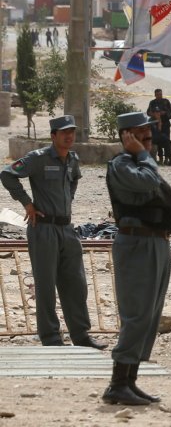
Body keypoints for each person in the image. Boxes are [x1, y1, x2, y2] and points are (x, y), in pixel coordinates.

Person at [0, 115, 106, 349]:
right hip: (43, 229)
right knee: (46, 286)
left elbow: (74, 181)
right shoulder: (38, 158)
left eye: (72, 132)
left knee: (76, 284)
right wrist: (27, 203)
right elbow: (7, 175)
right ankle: (51, 338)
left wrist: (67, 201)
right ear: (53, 136)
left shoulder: (72, 159)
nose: (69, 136)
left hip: (66, 228)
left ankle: (81, 335)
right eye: (64, 132)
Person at [103, 112, 171, 406]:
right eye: (140, 130)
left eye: (148, 129)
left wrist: (144, 156)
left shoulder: (141, 160)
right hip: (136, 243)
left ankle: (129, 381)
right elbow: (147, 184)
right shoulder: (123, 164)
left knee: (150, 316)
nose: (148, 134)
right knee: (136, 316)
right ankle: (117, 383)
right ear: (126, 135)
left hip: (155, 241)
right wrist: (143, 155)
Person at [147, 89, 171, 165]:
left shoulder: (166, 101)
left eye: (160, 94)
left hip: (165, 124)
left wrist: (165, 113)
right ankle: (161, 159)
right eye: (158, 94)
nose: (159, 96)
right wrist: (155, 115)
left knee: (167, 141)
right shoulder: (152, 103)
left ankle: (167, 159)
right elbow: (148, 113)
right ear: (155, 95)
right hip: (155, 125)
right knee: (158, 142)